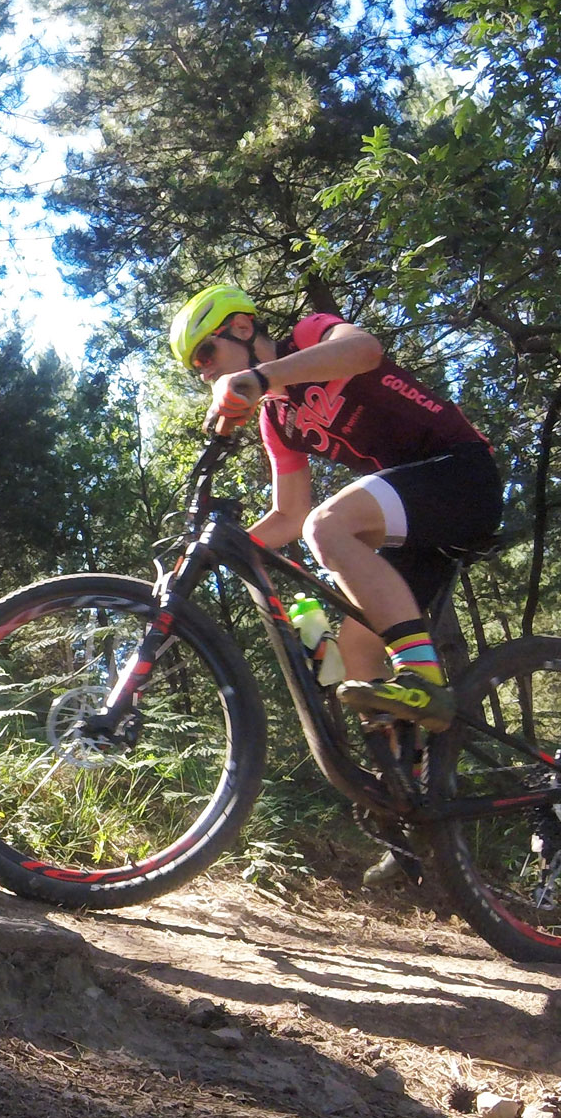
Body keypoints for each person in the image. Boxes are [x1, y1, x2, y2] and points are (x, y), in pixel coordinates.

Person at [167, 284, 505, 882]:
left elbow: (365, 350)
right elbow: (289, 515)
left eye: (206, 358)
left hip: (462, 475)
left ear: (242, 328)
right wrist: (218, 548)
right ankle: (418, 809)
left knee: (333, 526)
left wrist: (261, 378)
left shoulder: (309, 335)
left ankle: (424, 679)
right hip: (415, 525)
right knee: (352, 648)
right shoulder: (278, 422)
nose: (206, 376)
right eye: (198, 371)